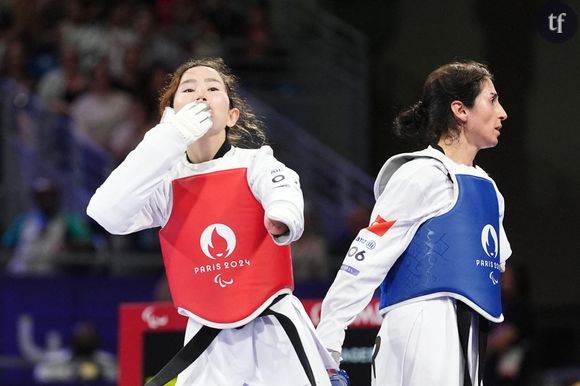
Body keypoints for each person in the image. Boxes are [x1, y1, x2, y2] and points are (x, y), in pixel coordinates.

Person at [86, 57, 339, 385]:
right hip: (205, 340)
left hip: (274, 331)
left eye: (212, 88)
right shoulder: (167, 184)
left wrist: (282, 216)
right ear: (172, 113)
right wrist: (166, 139)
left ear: (232, 115)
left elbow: (284, 189)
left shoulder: (256, 162)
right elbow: (107, 213)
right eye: (188, 89)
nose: (200, 95)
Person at [316, 60, 511, 386]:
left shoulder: (489, 189)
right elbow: (365, 259)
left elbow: (496, 263)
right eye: (492, 100)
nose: (502, 112)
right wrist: (327, 345)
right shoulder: (420, 174)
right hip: (422, 327)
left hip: (472, 335)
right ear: (461, 110)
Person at [2, 177, 94, 275]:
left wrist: (69, 246)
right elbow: (6, 244)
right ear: (36, 198)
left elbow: (86, 243)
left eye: (50, 195)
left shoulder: (69, 220)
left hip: (51, 276)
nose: (47, 200)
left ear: (56, 197)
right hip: (21, 273)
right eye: (42, 196)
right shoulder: (24, 220)